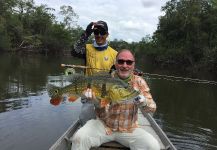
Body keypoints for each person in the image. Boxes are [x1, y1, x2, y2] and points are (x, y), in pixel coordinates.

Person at [71, 49, 160, 150]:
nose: (125, 65)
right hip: (103, 125)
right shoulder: (106, 80)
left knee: (153, 146)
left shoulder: (139, 82)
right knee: (79, 138)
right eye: (121, 61)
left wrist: (144, 102)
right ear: (115, 63)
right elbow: (101, 106)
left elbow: (152, 108)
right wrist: (94, 101)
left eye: (129, 62)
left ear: (133, 65)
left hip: (129, 129)